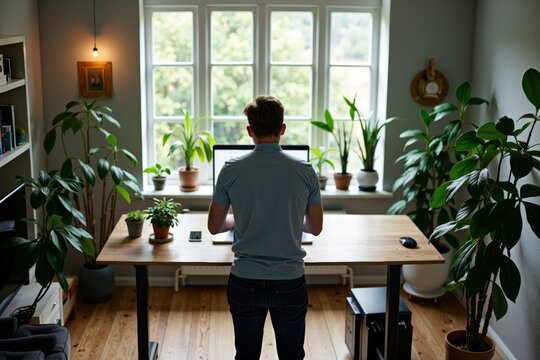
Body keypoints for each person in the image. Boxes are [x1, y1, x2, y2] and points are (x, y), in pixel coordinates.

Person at [207, 95, 323, 360]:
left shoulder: (231, 169)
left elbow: (214, 226)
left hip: (245, 279)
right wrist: (290, 219)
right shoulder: (305, 171)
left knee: (246, 355)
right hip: (290, 281)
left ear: (250, 131)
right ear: (282, 129)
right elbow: (314, 228)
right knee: (292, 355)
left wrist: (241, 219)